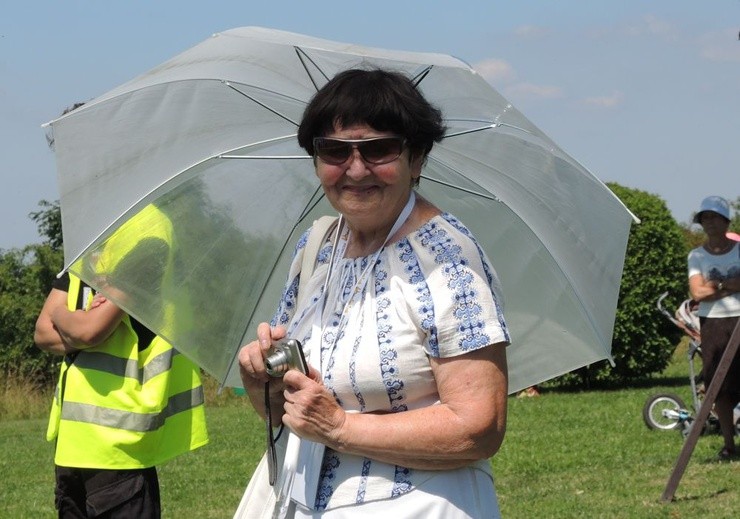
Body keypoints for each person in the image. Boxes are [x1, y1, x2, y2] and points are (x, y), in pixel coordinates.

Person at [238, 69, 509, 518]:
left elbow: (480, 426)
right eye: (334, 151)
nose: (356, 169)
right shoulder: (318, 246)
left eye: (379, 149)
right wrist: (262, 381)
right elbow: (293, 412)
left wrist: (342, 427)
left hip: (414, 505)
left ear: (416, 157)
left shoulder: (447, 258)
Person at [34, 202, 209, 518]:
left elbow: (89, 331)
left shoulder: (149, 232)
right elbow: (42, 333)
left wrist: (63, 316)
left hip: (120, 447)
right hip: (72, 446)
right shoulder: (91, 235)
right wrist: (72, 317)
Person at [687, 195, 740, 460]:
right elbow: (696, 292)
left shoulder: (739, 249)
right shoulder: (696, 255)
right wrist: (727, 284)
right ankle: (729, 444)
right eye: (704, 218)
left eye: (714, 217)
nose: (709, 223)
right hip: (714, 324)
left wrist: (714, 286)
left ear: (725, 221)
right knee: (719, 385)